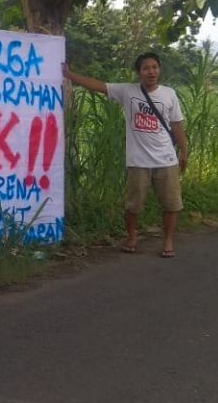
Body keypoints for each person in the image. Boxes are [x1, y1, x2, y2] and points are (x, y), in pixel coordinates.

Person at [63, 53, 189, 258]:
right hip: (138, 161)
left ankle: (168, 241)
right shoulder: (127, 91)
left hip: (166, 160)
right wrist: (70, 75)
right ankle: (131, 237)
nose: (151, 71)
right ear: (139, 72)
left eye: (155, 67)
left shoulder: (169, 94)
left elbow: (177, 125)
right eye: (146, 68)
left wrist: (184, 151)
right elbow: (99, 85)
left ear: (160, 69)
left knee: (171, 204)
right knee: (133, 205)